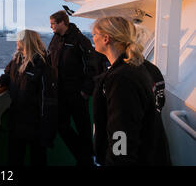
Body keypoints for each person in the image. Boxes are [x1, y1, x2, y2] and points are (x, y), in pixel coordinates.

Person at [91, 16, 171, 165]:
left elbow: (121, 132)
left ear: (106, 38)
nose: (93, 38)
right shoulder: (142, 67)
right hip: (153, 153)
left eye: (95, 34)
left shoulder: (121, 79)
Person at [0, 30, 58, 166]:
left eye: (18, 39)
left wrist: (46, 129)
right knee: (14, 157)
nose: (16, 42)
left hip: (35, 122)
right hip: (17, 118)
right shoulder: (17, 59)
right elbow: (8, 74)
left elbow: (47, 98)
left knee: (38, 159)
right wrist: (0, 81)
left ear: (26, 42)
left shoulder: (42, 64)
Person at [48, 10, 99, 166]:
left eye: (53, 24)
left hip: (77, 94)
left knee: (83, 128)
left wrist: (86, 90)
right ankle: (82, 155)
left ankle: (89, 158)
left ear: (62, 22)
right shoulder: (55, 40)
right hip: (60, 93)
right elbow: (48, 59)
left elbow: (93, 66)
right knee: (61, 125)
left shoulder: (80, 40)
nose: (51, 28)